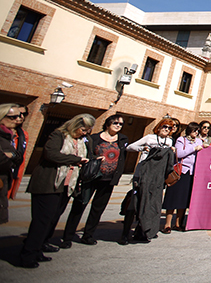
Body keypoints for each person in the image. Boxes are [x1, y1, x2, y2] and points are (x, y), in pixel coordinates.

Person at [20, 114, 94, 268]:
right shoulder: (59, 135)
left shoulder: (83, 141)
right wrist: (75, 160)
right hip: (49, 182)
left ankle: (41, 245)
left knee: (53, 218)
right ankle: (28, 253)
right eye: (83, 129)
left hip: (67, 185)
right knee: (42, 220)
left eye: (87, 130)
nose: (84, 133)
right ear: (75, 125)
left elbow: (87, 155)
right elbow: (51, 154)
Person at [61, 114, 129, 247]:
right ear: (108, 123)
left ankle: (88, 235)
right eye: (116, 123)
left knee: (98, 208)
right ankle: (67, 237)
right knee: (79, 205)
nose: (118, 126)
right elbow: (87, 154)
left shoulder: (122, 139)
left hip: (108, 179)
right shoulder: (94, 138)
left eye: (121, 124)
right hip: (92, 176)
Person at [123, 119, 176, 244]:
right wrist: (143, 148)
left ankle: (144, 231)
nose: (166, 129)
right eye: (164, 127)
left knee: (152, 204)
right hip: (142, 175)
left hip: (157, 177)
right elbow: (130, 147)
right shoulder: (149, 138)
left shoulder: (168, 142)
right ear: (159, 127)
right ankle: (125, 233)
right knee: (135, 203)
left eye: (169, 128)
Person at [162, 122, 204, 233]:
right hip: (181, 171)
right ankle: (167, 224)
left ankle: (178, 223)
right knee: (173, 198)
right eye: (194, 130)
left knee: (184, 199)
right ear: (189, 130)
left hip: (192, 173)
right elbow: (179, 154)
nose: (196, 132)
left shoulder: (199, 141)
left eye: (197, 130)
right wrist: (194, 148)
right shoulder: (181, 140)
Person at [1, 104, 25, 225]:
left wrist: (12, 155)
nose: (18, 119)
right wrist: (12, 157)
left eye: (20, 115)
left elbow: (19, 157)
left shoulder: (11, 134)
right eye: (13, 116)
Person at [7, 103, 28, 200]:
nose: (21, 117)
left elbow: (22, 158)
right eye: (18, 114)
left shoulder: (23, 135)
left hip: (12, 173)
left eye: (24, 114)